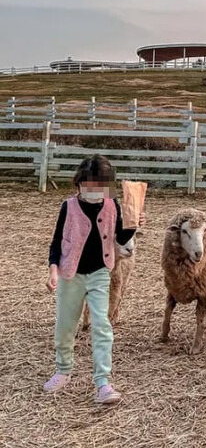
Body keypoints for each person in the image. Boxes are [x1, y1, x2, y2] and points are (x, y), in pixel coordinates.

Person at [44, 155, 146, 402]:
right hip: (71, 274)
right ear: (79, 184)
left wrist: (134, 225)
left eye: (99, 186)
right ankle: (63, 370)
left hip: (100, 272)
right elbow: (57, 242)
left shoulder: (113, 205)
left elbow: (121, 238)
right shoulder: (68, 207)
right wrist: (53, 270)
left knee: (102, 325)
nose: (93, 191)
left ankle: (103, 382)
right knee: (65, 326)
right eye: (88, 186)